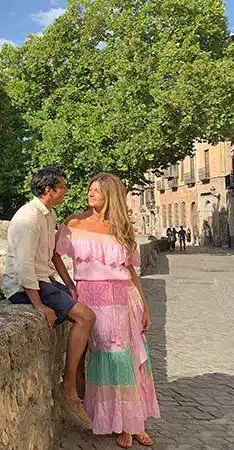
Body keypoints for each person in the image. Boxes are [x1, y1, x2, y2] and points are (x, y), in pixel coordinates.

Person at [55, 173, 160, 448]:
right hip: (92, 297)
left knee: (131, 358)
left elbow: (130, 270)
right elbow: (53, 254)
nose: (90, 194)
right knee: (110, 359)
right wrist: (69, 284)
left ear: (110, 195)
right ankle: (121, 422)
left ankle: (133, 423)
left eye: (97, 190)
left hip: (124, 297)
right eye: (89, 189)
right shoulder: (75, 223)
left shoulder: (121, 227)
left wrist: (144, 303)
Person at [3, 167, 96, 429]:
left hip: (45, 280)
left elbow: (49, 258)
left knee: (85, 316)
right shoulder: (28, 218)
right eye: (62, 187)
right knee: (86, 317)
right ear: (49, 190)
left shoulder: (48, 214)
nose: (66, 191)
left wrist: (68, 285)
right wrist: (39, 306)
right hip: (26, 287)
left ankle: (78, 381)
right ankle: (69, 388)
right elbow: (23, 267)